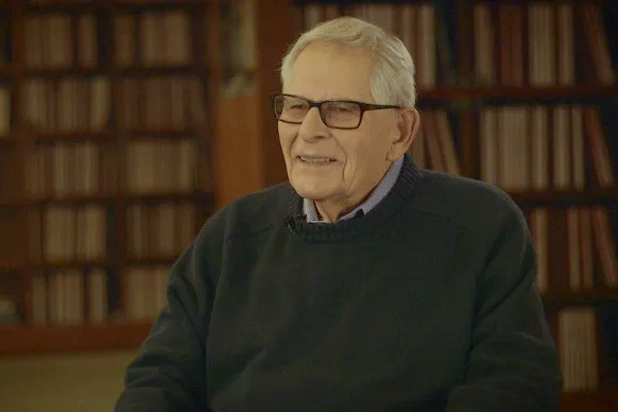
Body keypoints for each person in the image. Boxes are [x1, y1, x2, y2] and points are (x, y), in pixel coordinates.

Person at [115, 16, 561, 412]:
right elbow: (159, 380)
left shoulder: (480, 226)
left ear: (401, 131)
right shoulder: (232, 234)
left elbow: (513, 389)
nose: (309, 131)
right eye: (296, 106)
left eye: (341, 110)